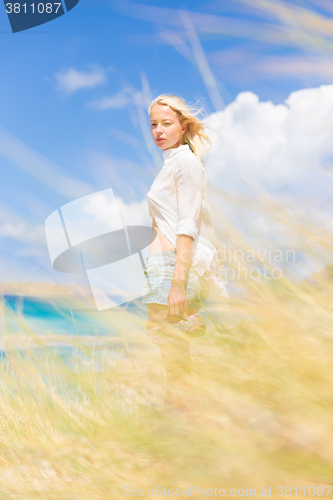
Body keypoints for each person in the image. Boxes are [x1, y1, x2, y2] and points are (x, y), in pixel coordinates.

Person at [141, 94, 229, 411]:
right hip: (158, 266)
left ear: (183, 126)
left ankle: (180, 421)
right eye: (153, 124)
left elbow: (187, 223)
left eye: (166, 123)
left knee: (172, 351)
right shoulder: (170, 165)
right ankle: (181, 421)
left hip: (172, 265)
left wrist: (178, 282)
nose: (158, 130)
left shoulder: (186, 162)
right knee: (169, 349)